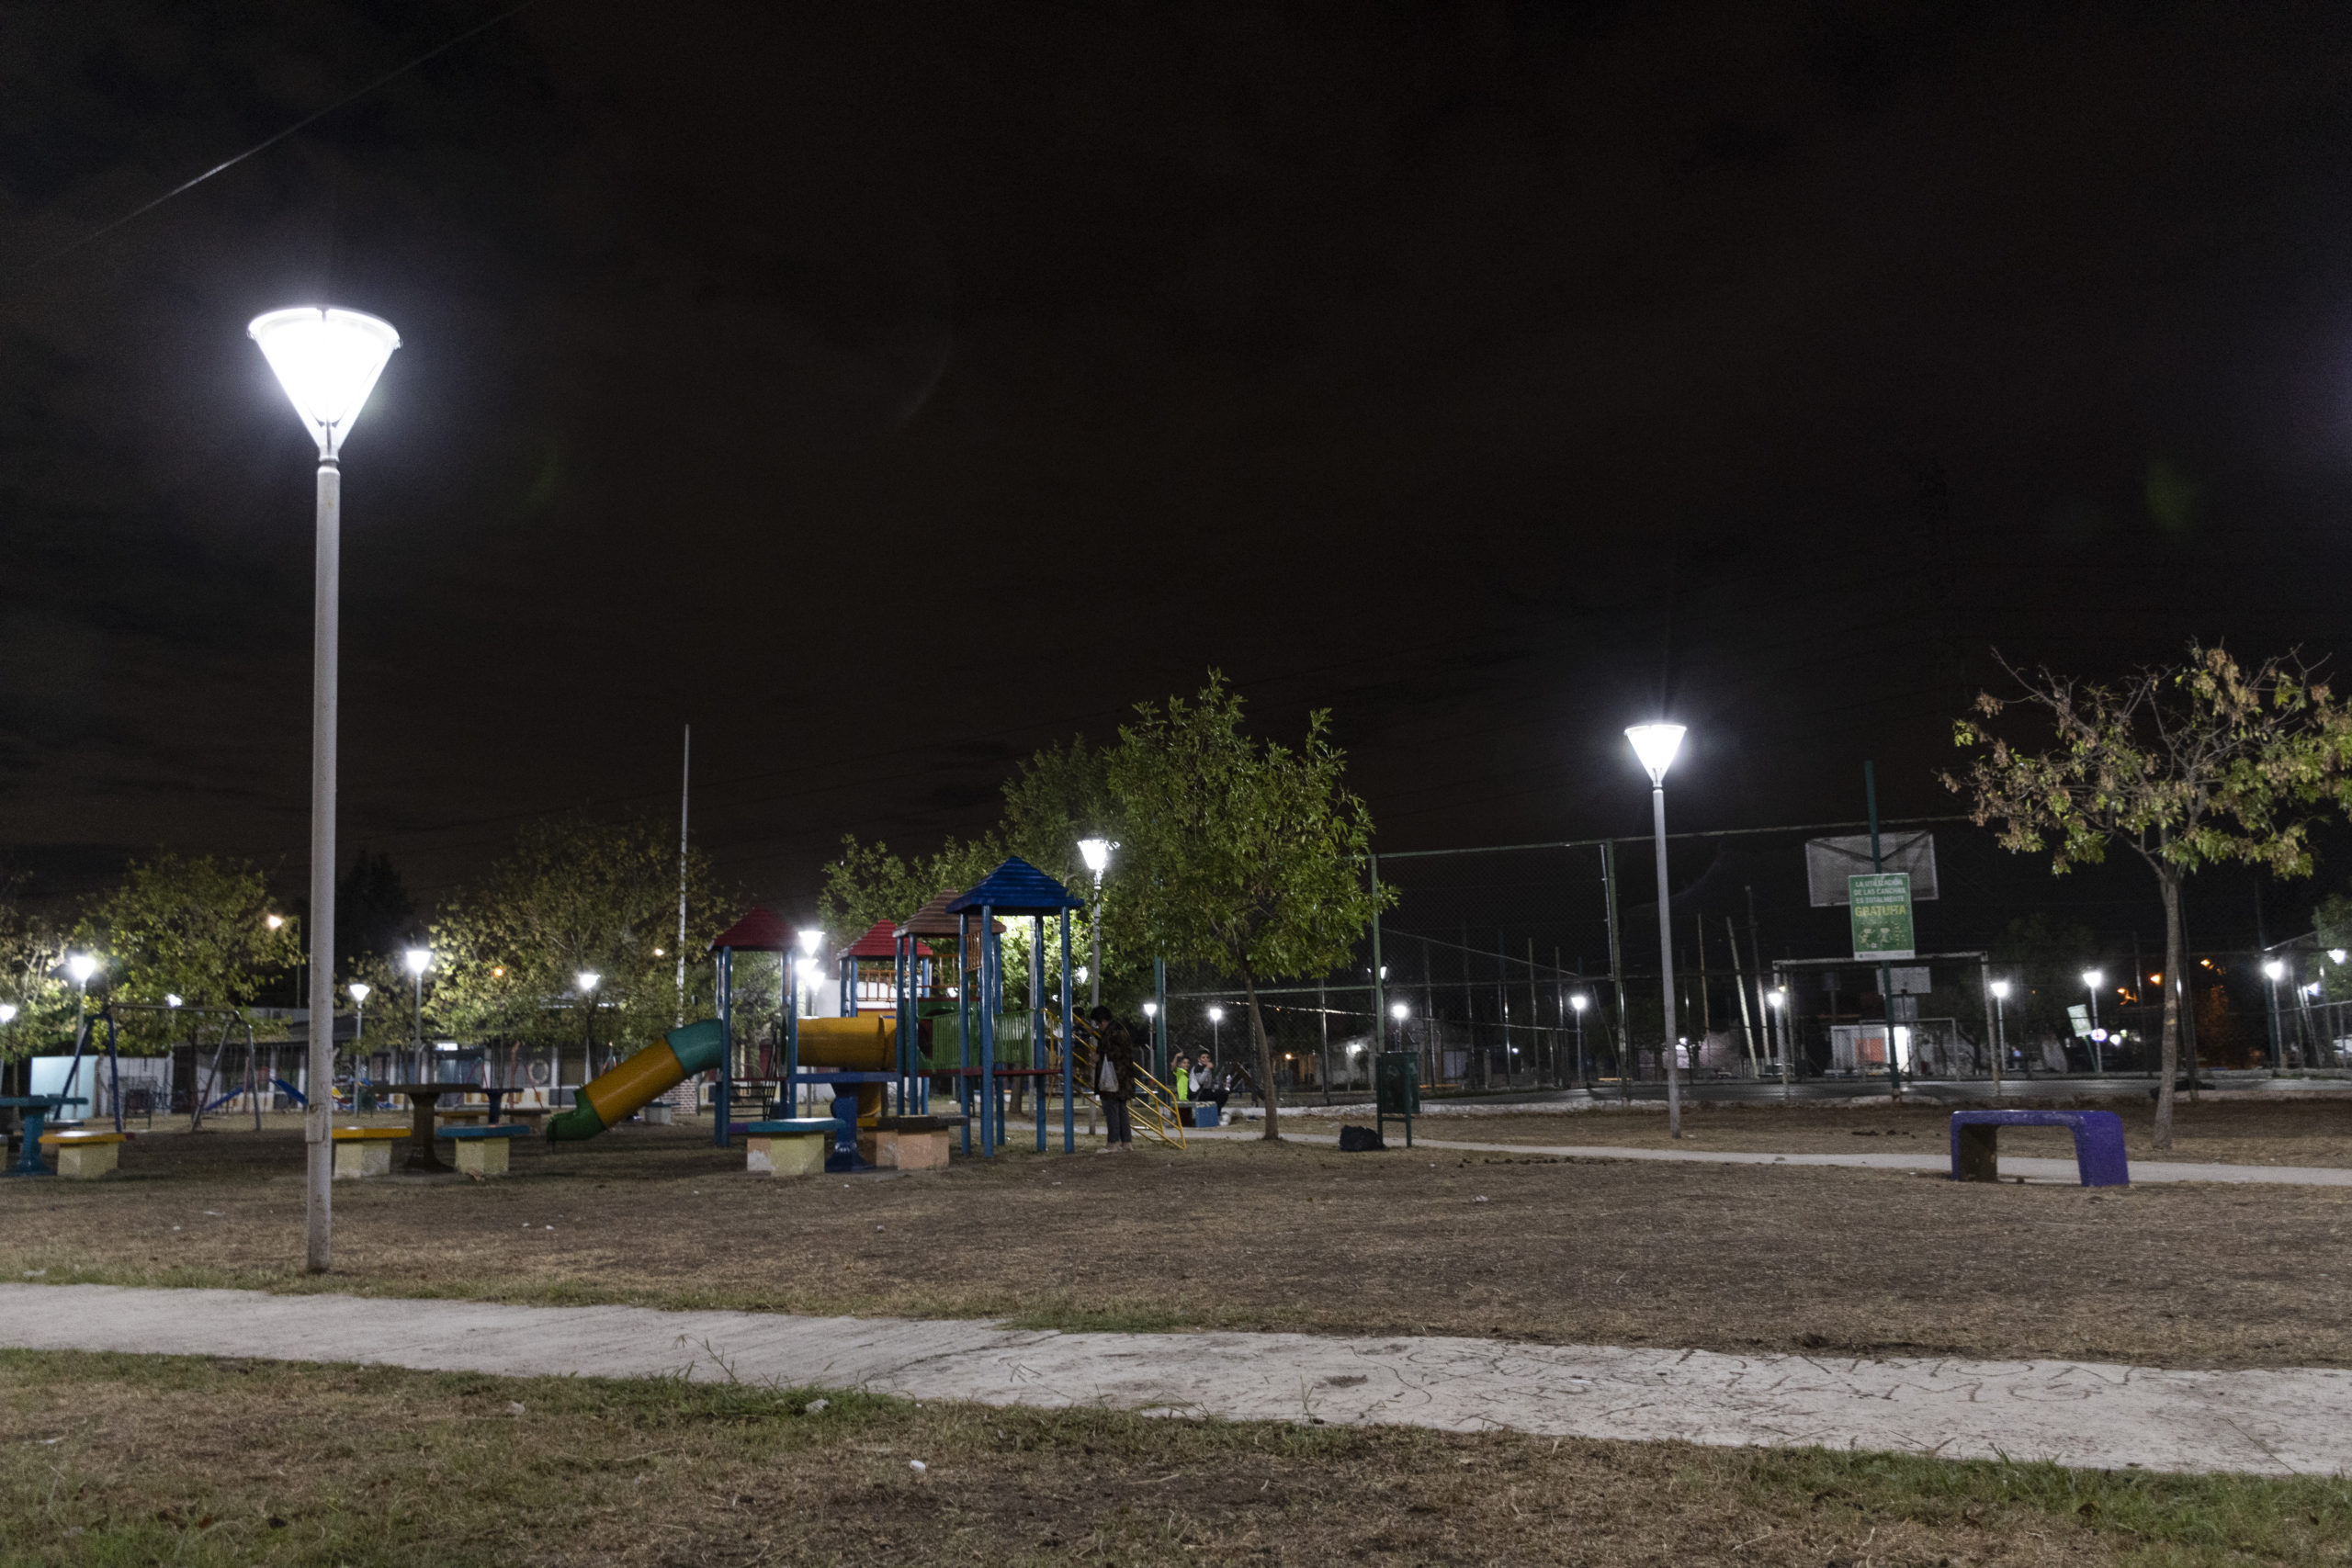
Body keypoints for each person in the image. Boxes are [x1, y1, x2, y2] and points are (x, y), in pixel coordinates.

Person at [1090, 1005, 1137, 1151]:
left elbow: (1113, 1051)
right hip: (1123, 1077)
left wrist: (1099, 1056)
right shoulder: (1118, 1029)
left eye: (1098, 1024)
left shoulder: (1113, 1033)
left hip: (1113, 1078)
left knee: (1111, 1108)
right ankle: (1126, 1142)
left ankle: (1113, 1142)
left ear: (1103, 1021)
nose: (1098, 1027)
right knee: (1121, 1108)